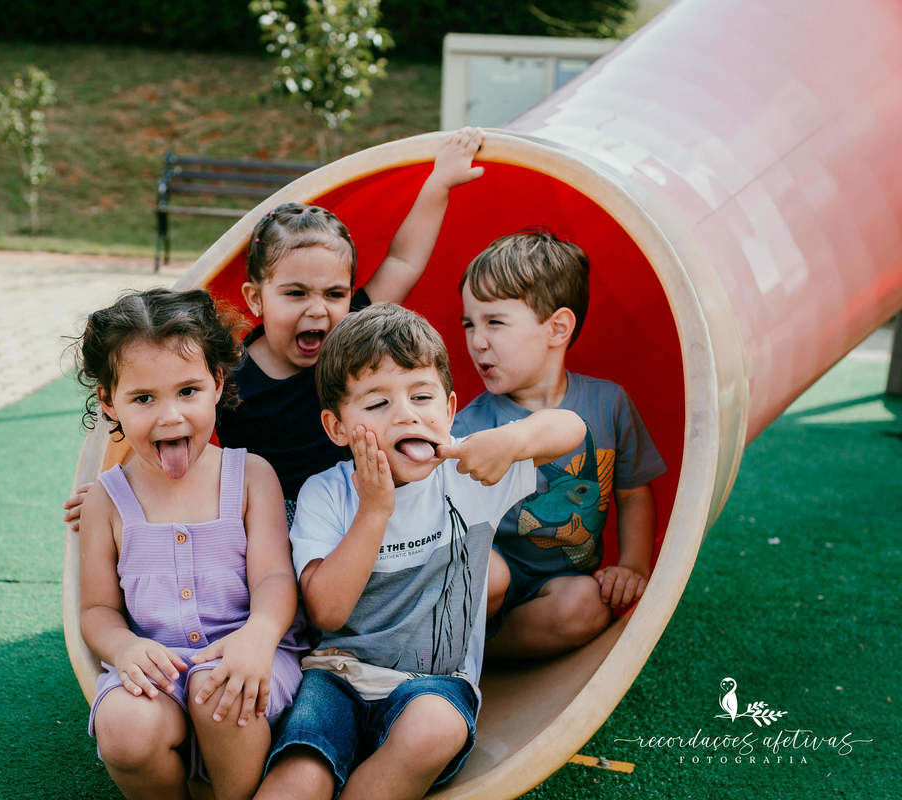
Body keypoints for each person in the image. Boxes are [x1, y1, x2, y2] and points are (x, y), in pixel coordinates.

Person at [65, 127, 486, 528]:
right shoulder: (228, 373)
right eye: (296, 293)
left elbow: (403, 261)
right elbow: (173, 428)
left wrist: (439, 184)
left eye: (335, 293)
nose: (319, 310)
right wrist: (117, 493)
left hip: (352, 504)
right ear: (255, 299)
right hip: (267, 518)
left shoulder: (352, 335)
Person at [255, 304, 585, 800]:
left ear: (449, 410)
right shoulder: (326, 494)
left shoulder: (468, 474)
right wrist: (373, 511)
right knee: (300, 775)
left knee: (435, 729)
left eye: (421, 396)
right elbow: (327, 609)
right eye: (376, 404)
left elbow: (571, 428)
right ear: (337, 427)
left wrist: (512, 439)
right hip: (336, 679)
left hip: (433, 683)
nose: (406, 413)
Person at [73, 288, 306, 800]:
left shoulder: (250, 477)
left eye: (188, 391)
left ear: (217, 384)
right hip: (159, 664)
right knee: (125, 730)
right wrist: (125, 646)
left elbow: (273, 577)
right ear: (110, 401)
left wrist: (259, 637)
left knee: (218, 693)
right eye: (143, 398)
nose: (170, 416)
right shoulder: (106, 501)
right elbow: (94, 609)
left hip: (249, 653)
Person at [455, 228, 667, 659]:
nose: (477, 341)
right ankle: (458, 645)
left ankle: (483, 654)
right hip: (489, 586)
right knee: (486, 574)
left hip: (554, 593)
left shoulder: (608, 404)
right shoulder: (469, 424)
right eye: (469, 324)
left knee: (588, 606)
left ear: (558, 328)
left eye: (494, 322)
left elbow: (631, 494)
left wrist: (634, 566)